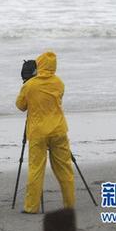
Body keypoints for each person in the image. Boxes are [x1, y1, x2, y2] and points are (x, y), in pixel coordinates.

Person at [16, 51, 75, 213]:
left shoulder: (30, 85)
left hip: (38, 132)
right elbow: (58, 99)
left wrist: (27, 83)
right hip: (58, 130)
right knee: (65, 169)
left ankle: (31, 207)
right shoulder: (59, 83)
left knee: (36, 169)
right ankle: (69, 205)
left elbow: (21, 106)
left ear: (39, 65)